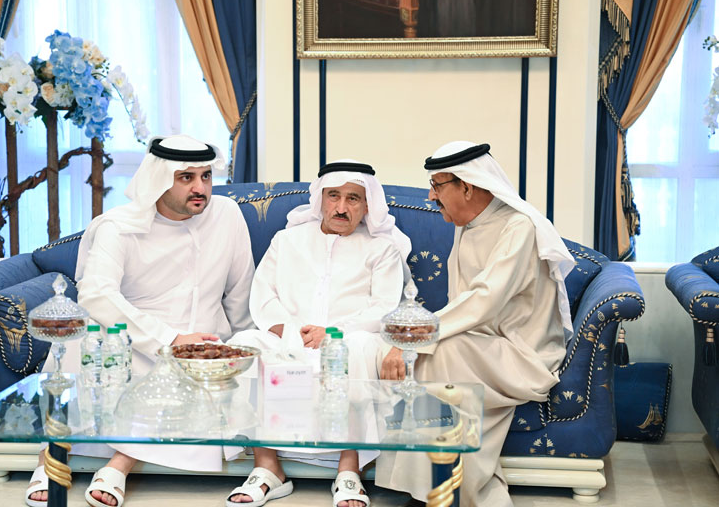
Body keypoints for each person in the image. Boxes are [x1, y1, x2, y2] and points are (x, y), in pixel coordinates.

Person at [25, 135, 255, 507]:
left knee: (193, 364)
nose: (200, 188)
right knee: (81, 342)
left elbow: (241, 290)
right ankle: (51, 457)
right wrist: (169, 338)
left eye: (206, 176)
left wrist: (246, 343)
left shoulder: (227, 214)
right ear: (159, 178)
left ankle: (119, 465)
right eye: (186, 178)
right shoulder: (118, 226)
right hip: (131, 333)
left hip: (203, 340)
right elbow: (96, 294)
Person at [375, 141, 574, 507]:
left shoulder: (518, 227)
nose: (431, 196)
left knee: (435, 353)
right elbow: (466, 306)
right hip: (483, 347)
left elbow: (484, 299)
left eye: (437, 186)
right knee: (421, 353)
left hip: (522, 356)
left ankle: (448, 491)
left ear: (466, 186)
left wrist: (414, 336)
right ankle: (433, 488)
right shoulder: (467, 224)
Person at [226, 161, 412, 507]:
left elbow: (384, 308)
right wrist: (293, 334)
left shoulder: (382, 248)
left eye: (353, 198)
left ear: (367, 205)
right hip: (289, 337)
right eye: (333, 196)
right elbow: (263, 298)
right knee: (245, 344)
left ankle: (349, 469)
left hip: (350, 338)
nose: (341, 208)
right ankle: (267, 467)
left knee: (356, 347)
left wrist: (333, 333)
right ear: (320, 200)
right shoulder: (287, 241)